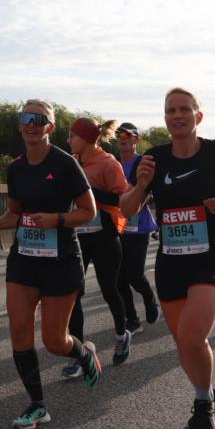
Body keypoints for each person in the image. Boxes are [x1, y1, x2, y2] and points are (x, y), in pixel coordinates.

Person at [121, 88, 215, 429]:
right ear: (165, 118)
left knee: (193, 336)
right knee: (184, 343)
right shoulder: (153, 158)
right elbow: (127, 209)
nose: (177, 116)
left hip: (211, 258)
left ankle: (201, 403)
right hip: (171, 261)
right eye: (170, 111)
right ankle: (208, 389)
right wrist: (143, 184)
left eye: (184, 110)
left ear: (198, 116)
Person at [0, 100, 100, 429]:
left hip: (61, 261)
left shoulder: (65, 164)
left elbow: (89, 212)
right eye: (26, 118)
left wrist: (58, 219)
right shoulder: (16, 168)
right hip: (24, 260)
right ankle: (37, 405)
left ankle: (83, 353)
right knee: (19, 332)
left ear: (50, 126)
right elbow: (14, 213)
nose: (31, 124)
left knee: (54, 341)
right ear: (20, 125)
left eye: (39, 119)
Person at [67, 116, 132, 370]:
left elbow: (122, 199)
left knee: (109, 289)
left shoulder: (108, 163)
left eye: (72, 136)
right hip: (77, 236)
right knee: (73, 293)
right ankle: (78, 351)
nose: (69, 140)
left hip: (104, 234)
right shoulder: (70, 163)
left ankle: (121, 334)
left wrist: (88, 194)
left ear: (86, 139)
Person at [115, 122, 160, 334]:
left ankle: (149, 297)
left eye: (127, 135)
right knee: (118, 278)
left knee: (134, 274)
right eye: (118, 135)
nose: (122, 138)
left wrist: (135, 206)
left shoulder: (142, 162)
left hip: (138, 227)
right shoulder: (112, 164)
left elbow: (150, 191)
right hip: (116, 227)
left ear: (136, 139)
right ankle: (132, 319)